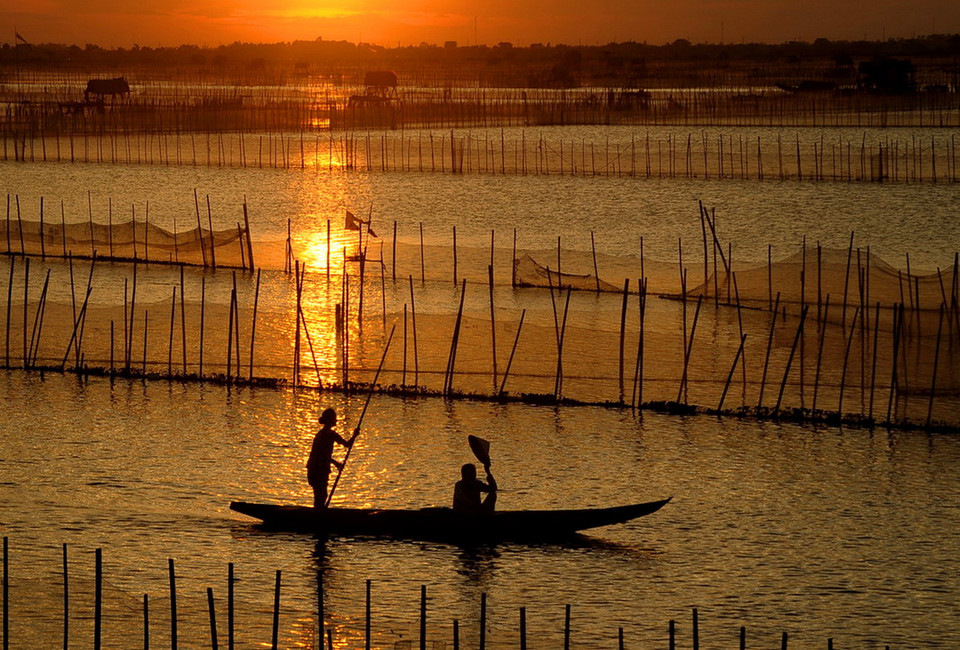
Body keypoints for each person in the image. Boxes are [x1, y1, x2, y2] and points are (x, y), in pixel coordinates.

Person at [307, 408, 353, 509]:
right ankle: (319, 516)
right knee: (321, 495)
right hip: (318, 469)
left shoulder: (321, 434)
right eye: (333, 419)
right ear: (329, 420)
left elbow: (322, 454)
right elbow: (347, 444)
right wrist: (354, 435)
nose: (335, 420)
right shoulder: (329, 434)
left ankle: (318, 513)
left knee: (320, 496)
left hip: (314, 468)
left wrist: (335, 463)